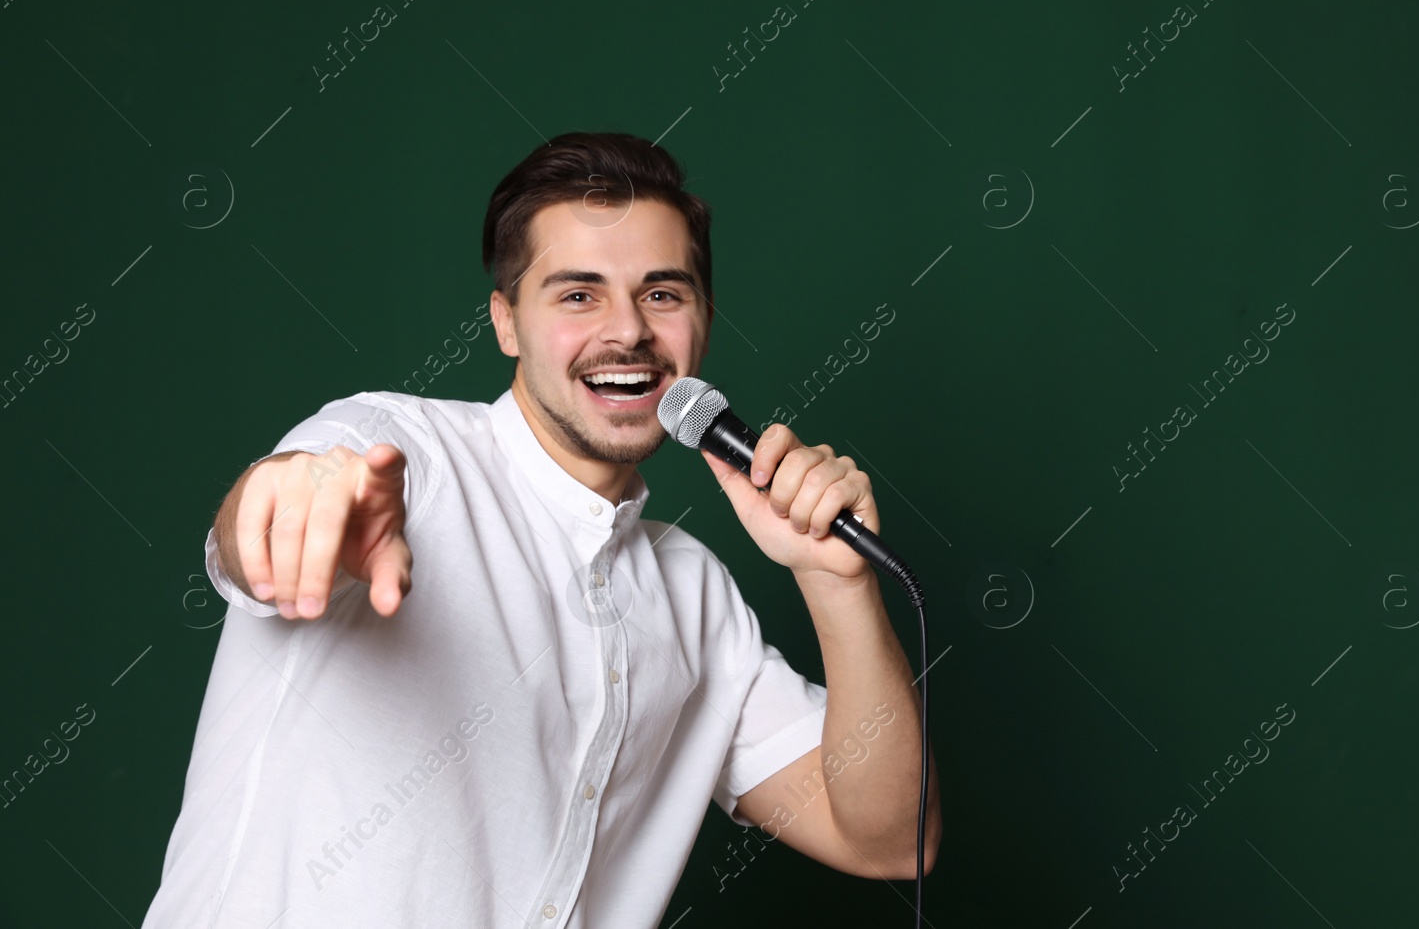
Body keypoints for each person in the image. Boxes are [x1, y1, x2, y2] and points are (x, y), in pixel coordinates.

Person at [142, 132, 939, 928]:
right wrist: (298, 503)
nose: (627, 331)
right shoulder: (398, 451)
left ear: (703, 321)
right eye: (578, 294)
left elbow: (892, 839)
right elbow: (265, 528)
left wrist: (837, 583)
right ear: (506, 322)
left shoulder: (694, 595)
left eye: (662, 293)